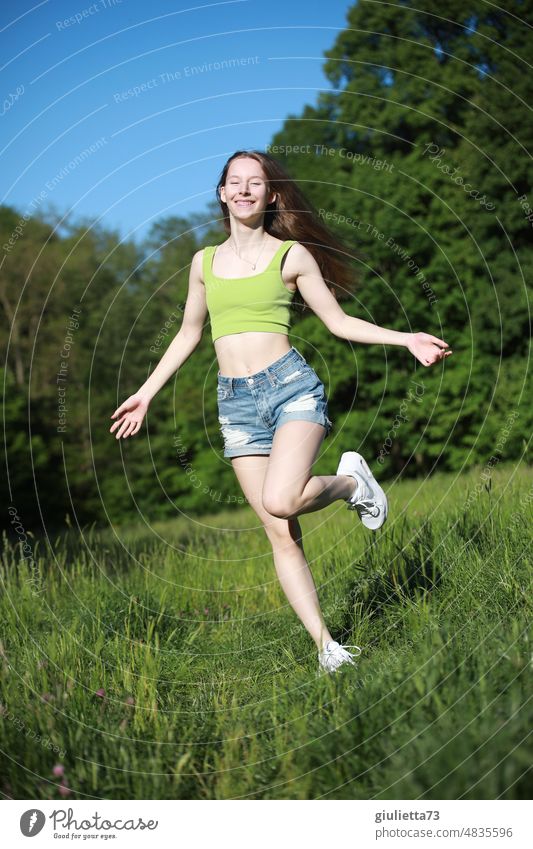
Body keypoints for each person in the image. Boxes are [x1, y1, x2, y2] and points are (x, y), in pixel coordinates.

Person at [110, 149, 452, 675]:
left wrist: (406, 338)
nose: (244, 190)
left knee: (282, 499)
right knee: (278, 530)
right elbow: (189, 333)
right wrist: (147, 392)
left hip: (290, 389)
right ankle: (327, 648)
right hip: (235, 403)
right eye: (234, 182)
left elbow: (338, 323)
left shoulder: (291, 256)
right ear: (222, 193)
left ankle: (351, 485)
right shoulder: (203, 263)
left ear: (271, 195)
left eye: (256, 183)